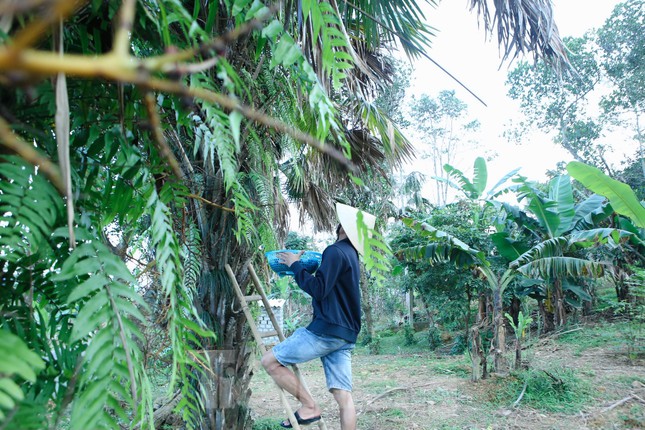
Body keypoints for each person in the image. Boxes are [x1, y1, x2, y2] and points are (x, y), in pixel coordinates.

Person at [261, 203, 376, 430]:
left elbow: (319, 289)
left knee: (270, 361)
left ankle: (309, 406)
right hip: (346, 334)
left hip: (326, 331)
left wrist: (295, 265)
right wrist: (304, 268)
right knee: (344, 398)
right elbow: (328, 285)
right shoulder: (352, 255)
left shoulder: (335, 251)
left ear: (343, 227)